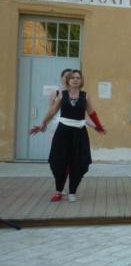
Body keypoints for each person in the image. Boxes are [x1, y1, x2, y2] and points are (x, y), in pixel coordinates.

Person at [30, 70, 106, 202]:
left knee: (78, 162)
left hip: (79, 133)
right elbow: (52, 111)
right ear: (68, 81)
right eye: (72, 78)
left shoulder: (85, 96)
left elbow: (91, 112)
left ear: (81, 80)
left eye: (78, 78)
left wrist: (98, 126)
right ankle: (59, 190)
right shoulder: (62, 95)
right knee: (59, 161)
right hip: (62, 133)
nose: (75, 80)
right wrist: (43, 124)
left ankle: (72, 192)